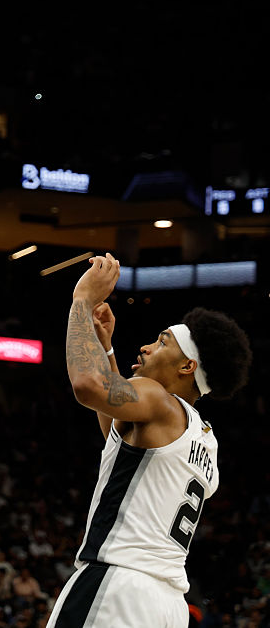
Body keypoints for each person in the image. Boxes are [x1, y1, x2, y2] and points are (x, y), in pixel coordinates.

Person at [49, 253, 252, 627]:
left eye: (161, 342)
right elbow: (120, 438)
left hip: (118, 584)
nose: (145, 347)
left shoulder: (159, 400)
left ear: (187, 366)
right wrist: (105, 348)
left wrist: (81, 300)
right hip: (168, 605)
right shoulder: (203, 437)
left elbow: (87, 385)